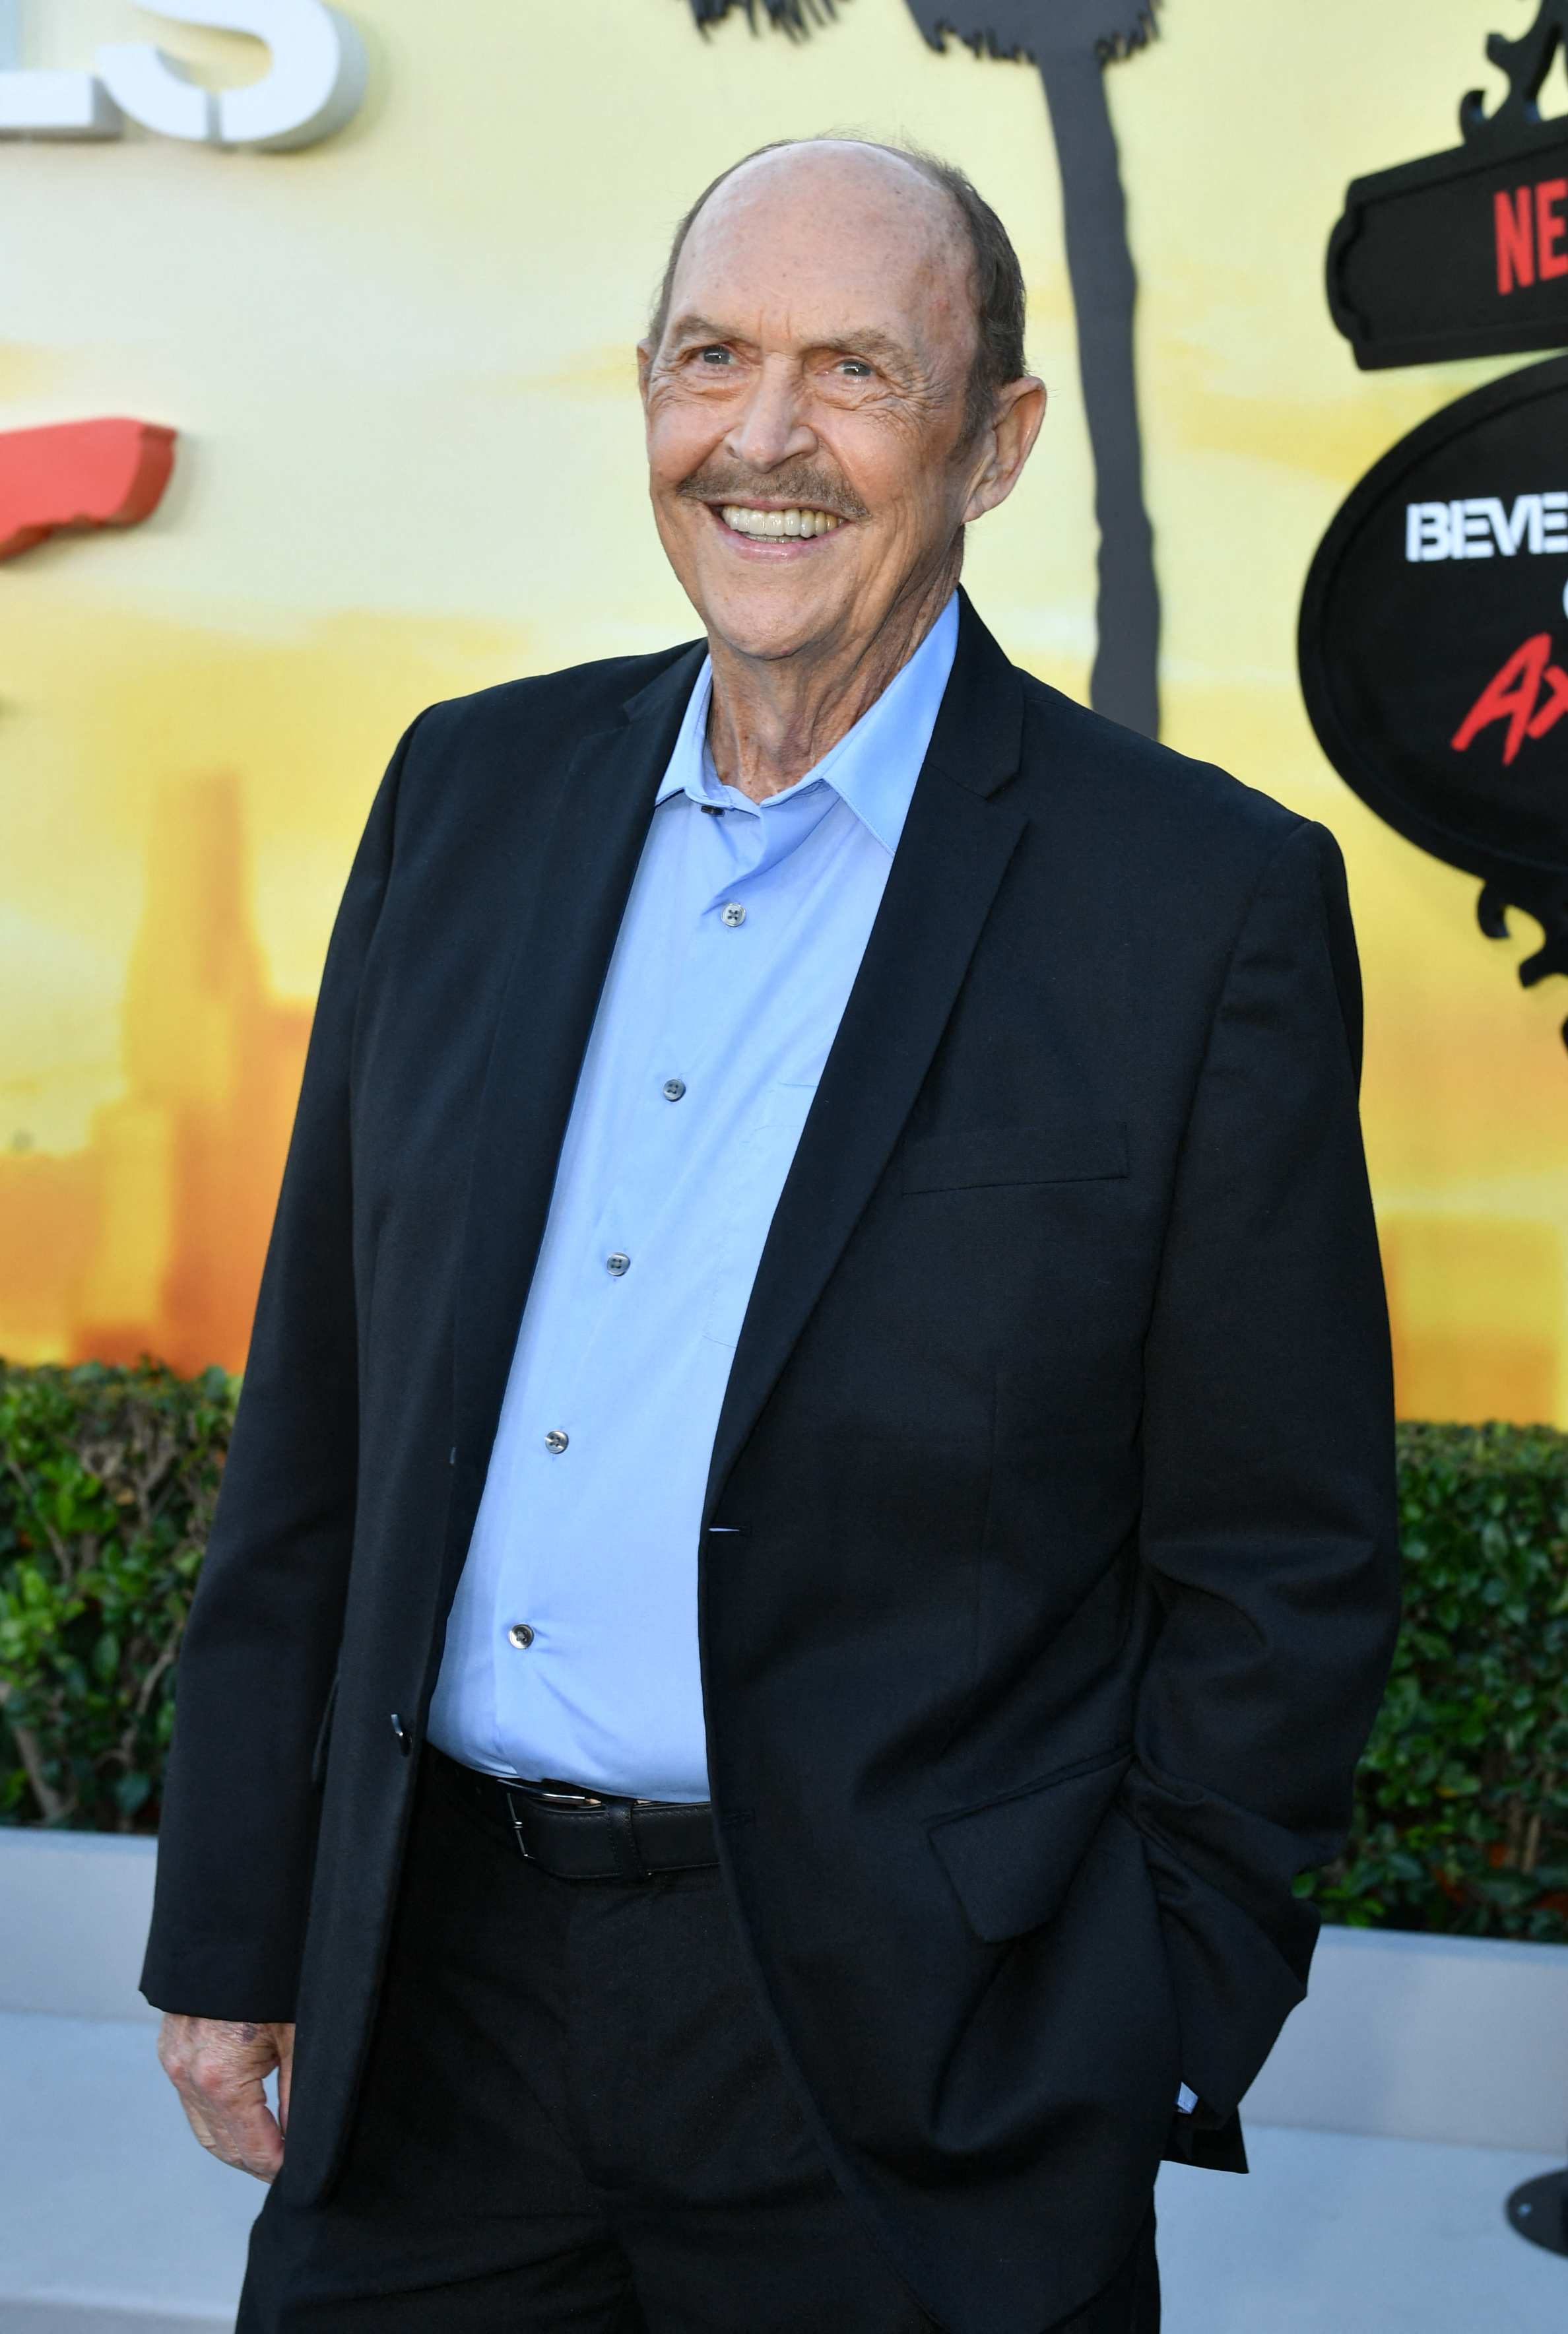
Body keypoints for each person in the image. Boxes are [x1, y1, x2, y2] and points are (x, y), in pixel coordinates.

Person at [144, 137, 1400, 2334]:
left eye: (857, 370)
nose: (765, 438)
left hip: (909, 2072)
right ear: (645, 391)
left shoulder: (1195, 910)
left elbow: (1279, 1563)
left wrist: (1141, 2025)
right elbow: (322, 1424)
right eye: (713, 357)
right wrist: (239, 1930)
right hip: (430, 2022)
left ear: (994, 442)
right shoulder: (468, 795)